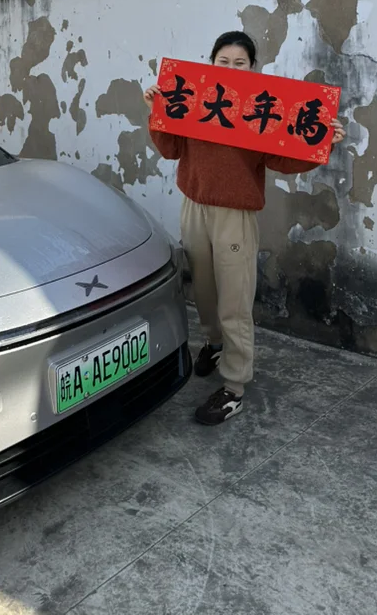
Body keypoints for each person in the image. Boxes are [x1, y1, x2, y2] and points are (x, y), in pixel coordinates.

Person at [144, 31, 345, 426]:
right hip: (194, 207)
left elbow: (284, 159)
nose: (231, 68)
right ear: (211, 62)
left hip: (235, 216)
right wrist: (158, 111)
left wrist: (324, 140)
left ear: (252, 68)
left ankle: (234, 387)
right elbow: (170, 148)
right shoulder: (196, 98)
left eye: (240, 63)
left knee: (234, 302)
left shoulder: (260, 108)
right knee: (203, 290)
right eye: (224, 61)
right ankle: (214, 344)